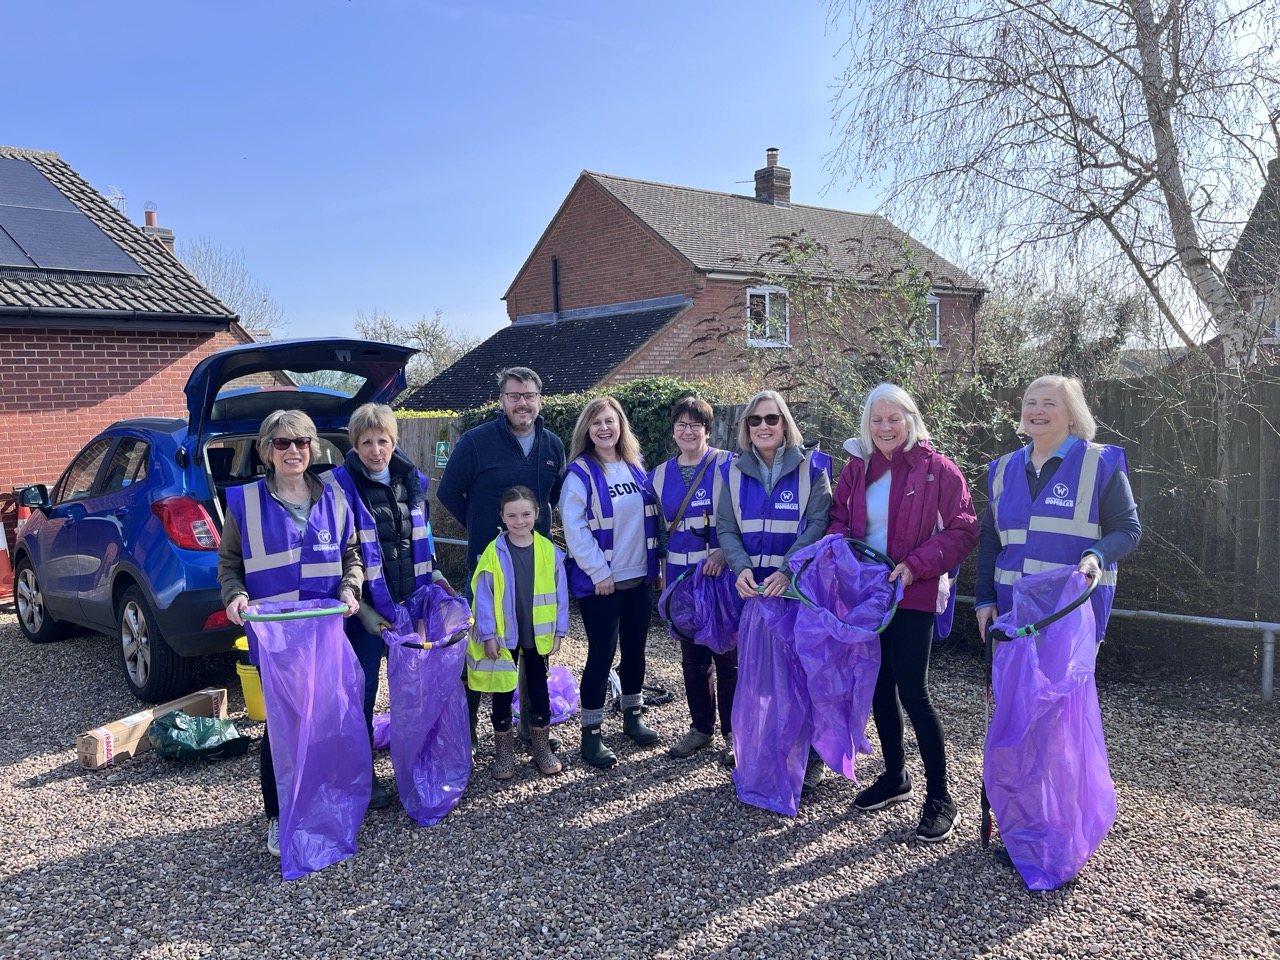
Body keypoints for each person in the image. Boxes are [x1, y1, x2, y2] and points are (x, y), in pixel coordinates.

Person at [828, 383, 979, 843]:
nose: (886, 427)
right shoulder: (857, 468)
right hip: (867, 595)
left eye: (894, 418)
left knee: (914, 691)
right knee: (877, 685)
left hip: (913, 593)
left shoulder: (939, 471)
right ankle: (895, 776)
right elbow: (838, 519)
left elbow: (964, 530)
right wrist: (841, 555)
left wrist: (915, 566)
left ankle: (941, 797)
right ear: (866, 424)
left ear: (911, 420)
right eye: (877, 419)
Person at [217, 409, 363, 857]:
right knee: (283, 725)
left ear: (312, 447)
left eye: (301, 442)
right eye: (282, 443)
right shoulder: (244, 503)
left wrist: (350, 586)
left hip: (324, 633)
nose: (293, 451)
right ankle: (279, 816)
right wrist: (235, 597)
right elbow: (230, 564)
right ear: (266, 450)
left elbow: (352, 552)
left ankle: (321, 801)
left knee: (326, 718)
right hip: (277, 638)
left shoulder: (335, 496)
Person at [324, 402, 452, 810]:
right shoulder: (338, 487)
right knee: (362, 694)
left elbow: (422, 538)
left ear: (393, 441)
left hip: (410, 605)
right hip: (365, 612)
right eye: (366, 442)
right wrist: (364, 612)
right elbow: (339, 555)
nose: (375, 450)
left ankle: (413, 762)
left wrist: (434, 577)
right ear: (354, 445)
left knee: (413, 691)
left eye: (382, 440)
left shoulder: (410, 480)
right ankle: (363, 774)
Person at [436, 366, 566, 751]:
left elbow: (554, 498)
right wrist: (483, 531)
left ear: (539, 400)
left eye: (528, 395)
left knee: (531, 644)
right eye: (514, 396)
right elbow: (448, 492)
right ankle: (469, 733)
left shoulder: (552, 446)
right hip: (489, 562)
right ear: (502, 401)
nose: (522, 403)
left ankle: (530, 727)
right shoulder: (477, 442)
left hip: (535, 568)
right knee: (482, 644)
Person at [715, 390, 832, 789]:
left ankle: (810, 756)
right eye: (755, 420)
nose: (763, 426)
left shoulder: (814, 467)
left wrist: (788, 570)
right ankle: (767, 748)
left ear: (785, 424)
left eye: (771, 419)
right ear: (746, 428)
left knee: (804, 673)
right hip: (755, 594)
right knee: (760, 677)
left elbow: (819, 525)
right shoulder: (730, 471)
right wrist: (740, 567)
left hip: (797, 591)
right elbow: (727, 528)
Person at [975, 374, 1141, 644]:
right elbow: (991, 540)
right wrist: (984, 599)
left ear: (1072, 415)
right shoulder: (1002, 469)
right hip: (1010, 613)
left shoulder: (1099, 463)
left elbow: (1128, 530)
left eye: (1049, 403)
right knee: (1008, 688)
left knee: (1060, 689)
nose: (1037, 410)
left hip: (1071, 614)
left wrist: (1096, 556)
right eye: (1031, 403)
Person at [560, 396, 663, 770]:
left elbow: (653, 523)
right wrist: (599, 572)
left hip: (638, 578)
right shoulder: (581, 473)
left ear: (621, 426)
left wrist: (657, 565)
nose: (605, 428)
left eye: (611, 421)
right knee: (601, 654)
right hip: (602, 584)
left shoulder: (636, 468)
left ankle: (633, 715)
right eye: (597, 422)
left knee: (636, 650)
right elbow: (575, 528)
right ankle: (591, 734)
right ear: (587, 430)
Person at [649, 397, 736, 763]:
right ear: (674, 430)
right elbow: (655, 529)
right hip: (681, 580)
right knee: (691, 656)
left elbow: (744, 519)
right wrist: (658, 570)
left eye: (695, 425)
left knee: (728, 654)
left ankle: (735, 733)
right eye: (681, 425)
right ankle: (701, 728)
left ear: (707, 429)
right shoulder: (658, 474)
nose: (688, 431)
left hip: (722, 575)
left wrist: (725, 552)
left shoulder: (729, 465)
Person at [470, 486, 570, 780]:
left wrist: (559, 632)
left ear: (537, 515)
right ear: (502, 516)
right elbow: (484, 596)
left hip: (537, 635)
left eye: (526, 514)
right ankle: (504, 753)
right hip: (503, 637)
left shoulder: (549, 551)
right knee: (502, 691)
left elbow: (561, 595)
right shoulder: (493, 552)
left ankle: (541, 748)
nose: (519, 521)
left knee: (539, 690)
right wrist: (488, 634)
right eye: (512, 515)